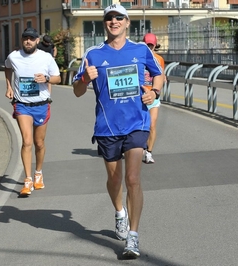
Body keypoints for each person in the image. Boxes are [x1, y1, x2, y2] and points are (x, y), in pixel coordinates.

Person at [72, 4, 164, 258]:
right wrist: (84, 79)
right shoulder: (93, 53)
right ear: (105, 23)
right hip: (107, 127)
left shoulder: (140, 50)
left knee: (132, 179)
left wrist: (154, 92)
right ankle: (120, 212)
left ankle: (133, 237)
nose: (114, 21)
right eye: (109, 18)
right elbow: (77, 91)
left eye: (119, 17)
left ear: (127, 22)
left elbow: (159, 76)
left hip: (136, 122)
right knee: (115, 179)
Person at [4, 27, 60, 196]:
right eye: (25, 38)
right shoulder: (13, 57)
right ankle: (27, 180)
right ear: (22, 40)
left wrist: (47, 79)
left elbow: (57, 78)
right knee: (27, 141)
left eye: (31, 38)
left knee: (39, 143)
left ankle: (38, 173)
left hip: (41, 104)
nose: (28, 41)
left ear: (37, 41)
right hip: (22, 105)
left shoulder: (46, 57)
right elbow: (7, 68)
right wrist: (8, 86)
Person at [142, 33, 165, 164]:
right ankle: (137, 147)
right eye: (147, 44)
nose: (149, 47)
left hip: (154, 97)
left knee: (152, 125)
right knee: (138, 127)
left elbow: (161, 75)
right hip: (140, 96)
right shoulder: (138, 58)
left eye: (151, 45)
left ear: (155, 45)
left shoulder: (159, 59)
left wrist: (161, 81)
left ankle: (149, 153)